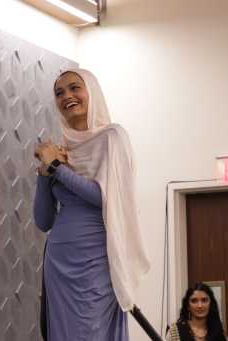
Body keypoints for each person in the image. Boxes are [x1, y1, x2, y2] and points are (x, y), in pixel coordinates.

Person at [32, 68, 151, 340]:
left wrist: (58, 169)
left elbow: (107, 198)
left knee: (90, 330)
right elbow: (43, 221)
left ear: (92, 93)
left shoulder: (113, 137)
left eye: (75, 88)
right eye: (59, 93)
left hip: (97, 259)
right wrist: (43, 173)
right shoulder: (62, 148)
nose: (67, 96)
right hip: (59, 261)